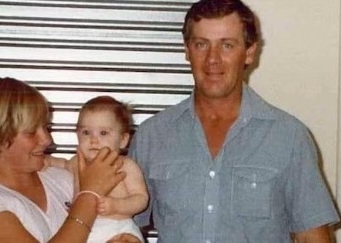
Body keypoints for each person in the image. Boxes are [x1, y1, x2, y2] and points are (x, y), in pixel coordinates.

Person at [128, 0, 340, 242]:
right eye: (201, 44)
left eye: (227, 45)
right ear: (187, 50)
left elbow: (312, 237)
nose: (212, 59)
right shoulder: (151, 136)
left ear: (249, 52)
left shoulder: (289, 137)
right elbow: (122, 227)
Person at [0, 77, 141, 243]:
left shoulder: (62, 178)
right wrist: (89, 194)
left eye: (45, 127)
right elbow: (89, 198)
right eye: (31, 132)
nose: (47, 140)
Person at [45, 95, 148, 243]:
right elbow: (63, 164)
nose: (94, 140)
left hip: (119, 228)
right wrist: (48, 161)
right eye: (86, 132)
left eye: (103, 133)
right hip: (85, 229)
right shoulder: (76, 162)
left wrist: (116, 205)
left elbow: (141, 198)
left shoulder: (126, 166)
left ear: (123, 140)